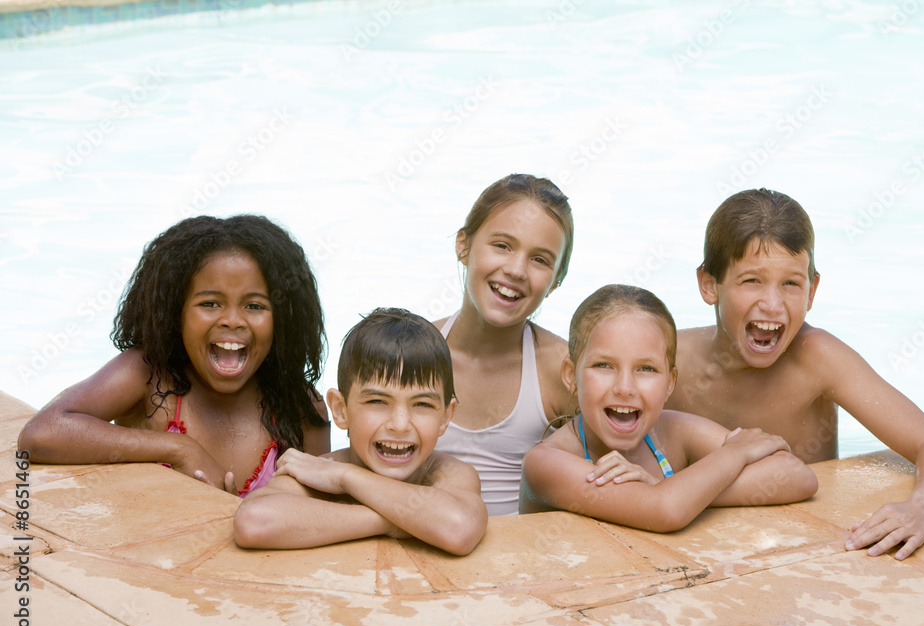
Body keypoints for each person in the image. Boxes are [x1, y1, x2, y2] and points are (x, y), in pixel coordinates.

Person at [666, 187, 924, 559]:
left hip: (811, 549)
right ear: (709, 284)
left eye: (791, 283)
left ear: (812, 291)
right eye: (752, 281)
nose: (773, 305)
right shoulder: (670, 361)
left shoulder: (818, 359)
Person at [17, 214, 330, 496]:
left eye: (254, 306)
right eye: (210, 303)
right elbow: (41, 434)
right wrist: (178, 448)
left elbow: (321, 511)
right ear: (175, 313)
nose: (233, 320)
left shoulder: (299, 407)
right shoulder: (149, 377)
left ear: (283, 319)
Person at [521, 284, 817, 531]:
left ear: (670, 383)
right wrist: (735, 452)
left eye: (646, 369)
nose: (625, 387)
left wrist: (671, 488)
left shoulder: (672, 431)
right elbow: (666, 511)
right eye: (604, 365)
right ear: (571, 376)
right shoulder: (546, 463)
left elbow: (796, 475)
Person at [234, 308, 487, 556]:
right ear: (341, 410)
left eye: (422, 404)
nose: (399, 425)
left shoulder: (448, 473)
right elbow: (254, 522)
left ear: (445, 417)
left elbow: (457, 528)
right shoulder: (315, 473)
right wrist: (402, 521)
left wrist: (346, 477)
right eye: (377, 401)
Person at [433, 174, 577, 516]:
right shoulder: (406, 355)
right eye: (502, 245)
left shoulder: (562, 370)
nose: (516, 270)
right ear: (463, 246)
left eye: (540, 260)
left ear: (556, 281)